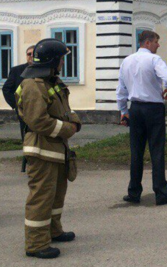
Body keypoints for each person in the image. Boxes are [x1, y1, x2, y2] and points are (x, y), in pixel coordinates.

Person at [16, 38, 82, 259]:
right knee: (41, 198)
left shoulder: (51, 81)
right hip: (41, 150)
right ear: (52, 60)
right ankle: (36, 244)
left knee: (56, 196)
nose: (63, 63)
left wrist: (74, 121)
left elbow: (64, 109)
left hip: (55, 149)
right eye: (61, 58)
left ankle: (53, 231)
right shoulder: (33, 85)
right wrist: (68, 129)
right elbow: (38, 121)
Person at [116, 30, 167, 206]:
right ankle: (161, 192)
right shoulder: (153, 59)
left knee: (136, 151)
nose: (158, 45)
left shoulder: (126, 61)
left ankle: (134, 192)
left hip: (135, 108)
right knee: (156, 150)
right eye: (157, 42)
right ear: (148, 42)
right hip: (153, 108)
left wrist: (123, 111)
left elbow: (121, 90)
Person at [2, 45, 35, 137]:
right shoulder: (17, 70)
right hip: (24, 110)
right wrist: (16, 104)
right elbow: (7, 89)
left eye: (34, 54)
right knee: (26, 135)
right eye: (29, 54)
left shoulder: (45, 70)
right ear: (26, 56)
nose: (31, 56)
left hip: (41, 108)